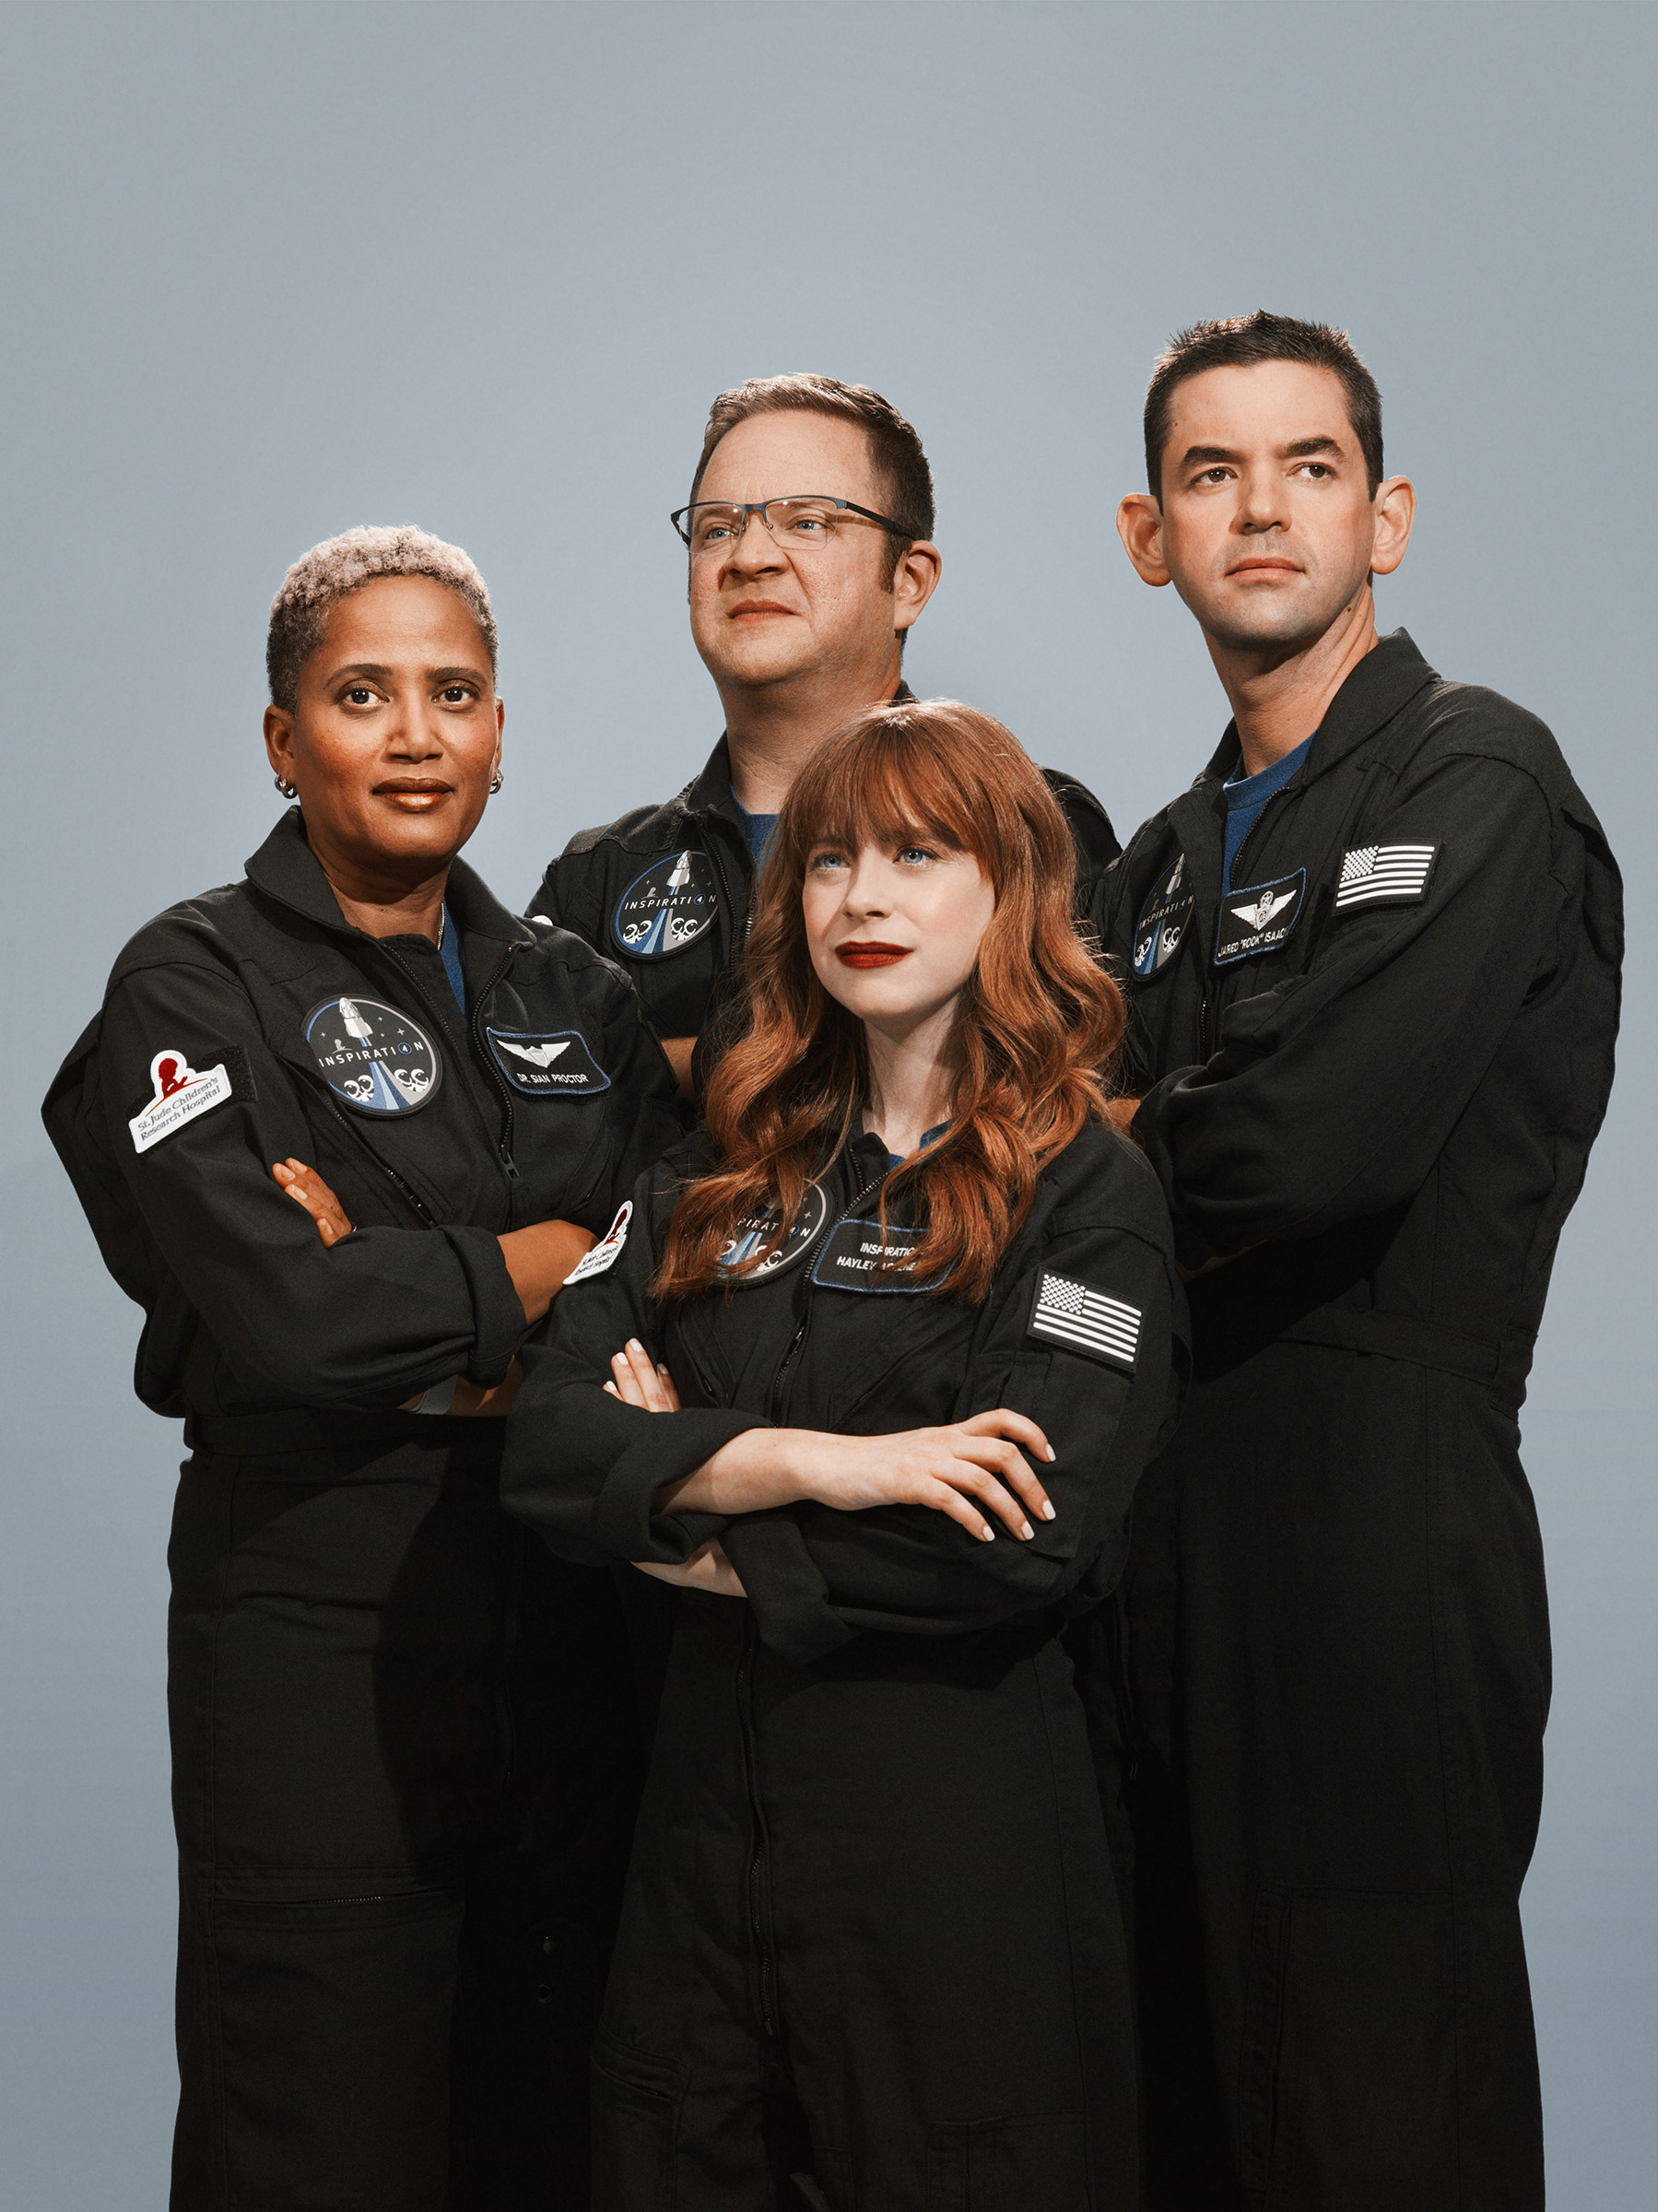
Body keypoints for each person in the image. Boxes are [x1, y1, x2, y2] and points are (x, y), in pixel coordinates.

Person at [42, 527, 684, 2211]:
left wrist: (406, 1288)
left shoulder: (579, 994)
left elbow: (665, 1289)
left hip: (566, 1610)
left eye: (452, 694)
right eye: (361, 694)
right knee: (321, 2134)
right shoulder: (190, 979)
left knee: (551, 2126)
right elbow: (293, 1324)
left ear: (498, 732)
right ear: (283, 738)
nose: (413, 734)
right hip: (315, 1622)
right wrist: (542, 1260)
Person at [502, 700, 1187, 2212]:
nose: (860, 897)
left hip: (952, 1879)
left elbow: (1016, 1534)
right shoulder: (714, 1170)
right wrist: (819, 1463)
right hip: (694, 1869)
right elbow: (547, 1442)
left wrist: (680, 1510)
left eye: (915, 855)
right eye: (827, 860)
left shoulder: (1085, 1196)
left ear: (1010, 891)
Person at [1091, 312, 1622, 2207]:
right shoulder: (1148, 870)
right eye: (1208, 474)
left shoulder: (1472, 777)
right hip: (1146, 1531)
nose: (1258, 510)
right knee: (1171, 2111)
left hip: (1375, 1517)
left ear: (1380, 517)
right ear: (1147, 536)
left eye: (1304, 468)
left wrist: (1108, 1148)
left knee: (1374, 2109)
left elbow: (1314, 1142)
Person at [523, 373, 1120, 1091]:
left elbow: (1058, 1091)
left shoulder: (1026, 819)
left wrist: (656, 1065)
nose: (749, 558)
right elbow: (523, 1110)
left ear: (908, 582)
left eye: (807, 523)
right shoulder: (598, 877)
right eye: (717, 529)